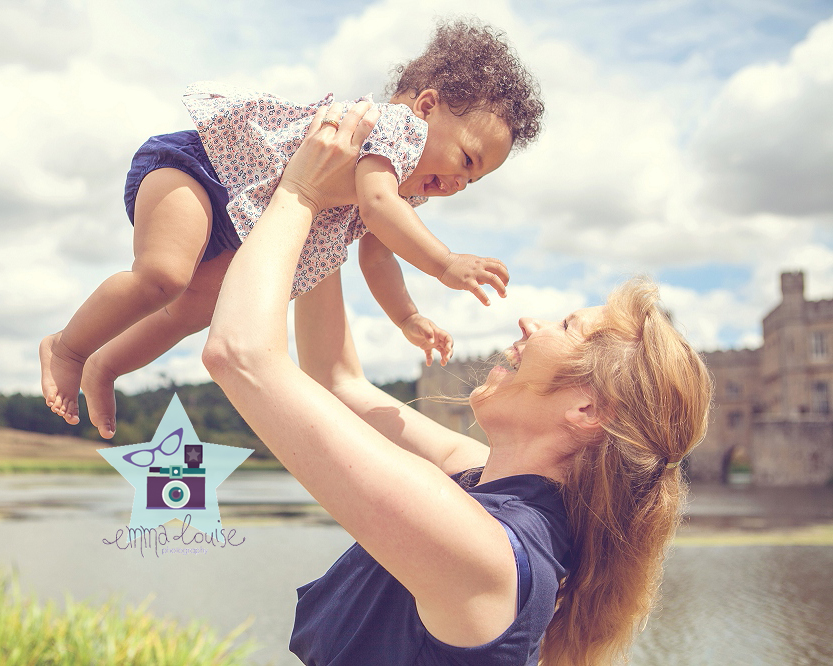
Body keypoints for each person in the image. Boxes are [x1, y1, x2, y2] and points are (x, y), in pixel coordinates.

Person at [202, 103, 713, 665]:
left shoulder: (488, 551)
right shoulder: (487, 481)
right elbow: (338, 382)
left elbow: (242, 355)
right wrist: (332, 213)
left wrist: (297, 191)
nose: (532, 322)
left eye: (568, 327)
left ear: (589, 409)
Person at [40, 19, 544, 438]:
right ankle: (67, 347)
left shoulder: (403, 191)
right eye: (466, 158)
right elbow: (375, 207)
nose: (459, 181)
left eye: (473, 179)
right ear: (428, 107)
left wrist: (407, 316)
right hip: (200, 172)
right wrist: (446, 262)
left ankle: (104, 365)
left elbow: (378, 254)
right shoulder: (395, 128)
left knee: (191, 311)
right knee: (163, 276)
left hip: (237, 228)